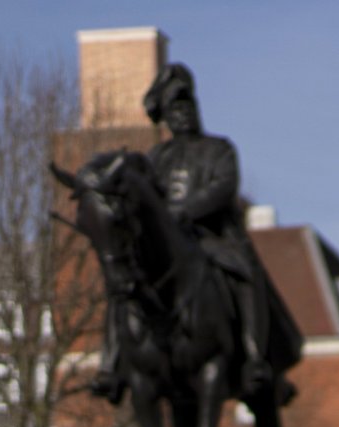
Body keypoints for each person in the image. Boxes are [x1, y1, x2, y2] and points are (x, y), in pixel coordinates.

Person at [90, 63, 297, 404]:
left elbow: (223, 187)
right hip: (168, 247)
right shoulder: (157, 156)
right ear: (167, 119)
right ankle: (111, 365)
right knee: (124, 283)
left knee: (247, 274)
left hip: (212, 237)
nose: (182, 116)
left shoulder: (219, 149)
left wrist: (184, 212)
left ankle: (255, 358)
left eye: (187, 108)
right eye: (175, 110)